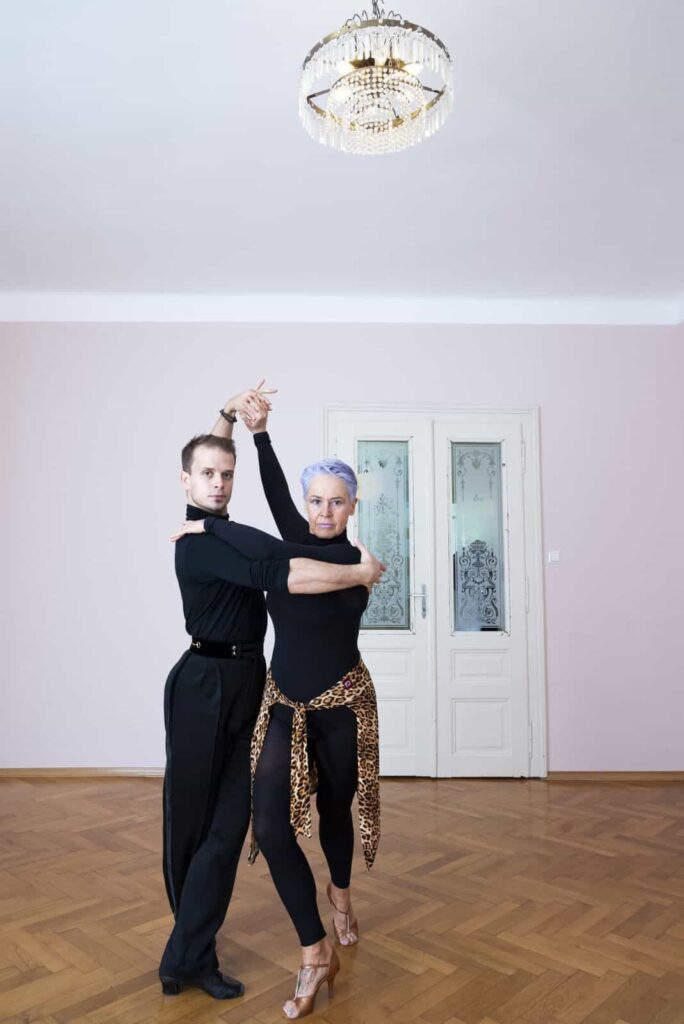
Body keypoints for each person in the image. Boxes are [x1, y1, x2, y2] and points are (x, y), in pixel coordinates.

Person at [160, 386, 385, 1002]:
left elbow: (225, 485)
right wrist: (251, 430)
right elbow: (262, 516)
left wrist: (232, 423)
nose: (323, 511)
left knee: (311, 813)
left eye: (336, 502)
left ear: (352, 506)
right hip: (252, 694)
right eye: (316, 500)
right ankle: (292, 949)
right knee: (241, 823)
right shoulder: (223, 535)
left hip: (308, 696)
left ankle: (337, 898)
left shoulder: (335, 556)